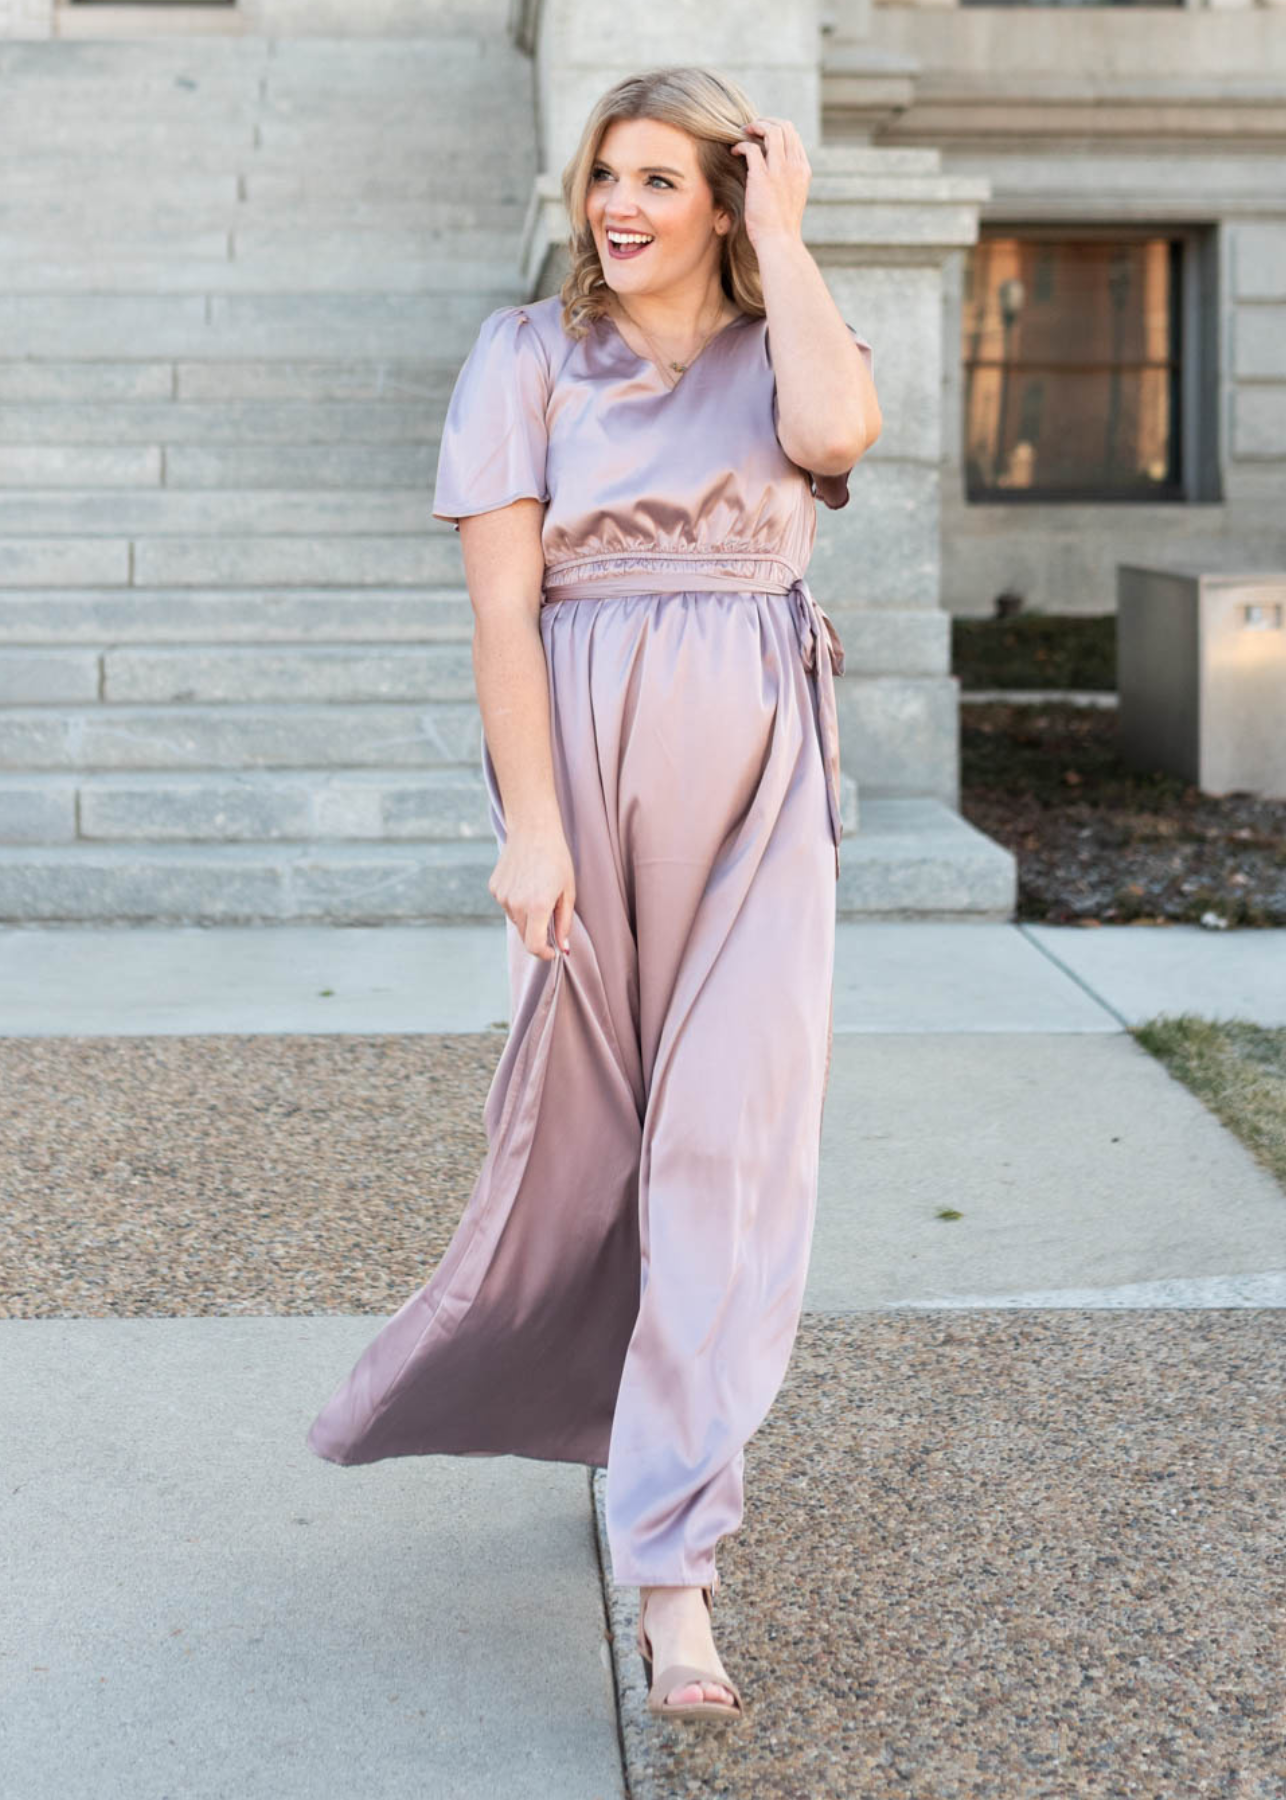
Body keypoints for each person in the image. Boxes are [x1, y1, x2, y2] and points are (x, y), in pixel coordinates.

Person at [305, 63, 880, 1725]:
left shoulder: (788, 346)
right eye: (603, 177)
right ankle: (601, 1420)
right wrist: (531, 828)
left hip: (760, 778)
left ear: (721, 200)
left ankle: (673, 1569)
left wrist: (789, 235)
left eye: (657, 181)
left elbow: (837, 436)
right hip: (583, 767)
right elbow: (502, 617)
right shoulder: (524, 355)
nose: (618, 207)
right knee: (588, 1148)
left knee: (732, 1142)